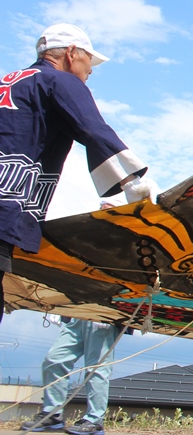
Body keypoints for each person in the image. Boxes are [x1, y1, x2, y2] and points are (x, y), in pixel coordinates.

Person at [0, 23, 158, 318]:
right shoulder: (58, 81)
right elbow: (93, 129)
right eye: (89, 60)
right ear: (71, 53)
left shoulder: (10, 81)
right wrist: (133, 183)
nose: (91, 71)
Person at [23, 316, 124, 435]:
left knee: (96, 369)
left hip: (104, 316)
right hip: (79, 315)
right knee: (54, 360)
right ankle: (53, 415)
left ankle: (95, 420)